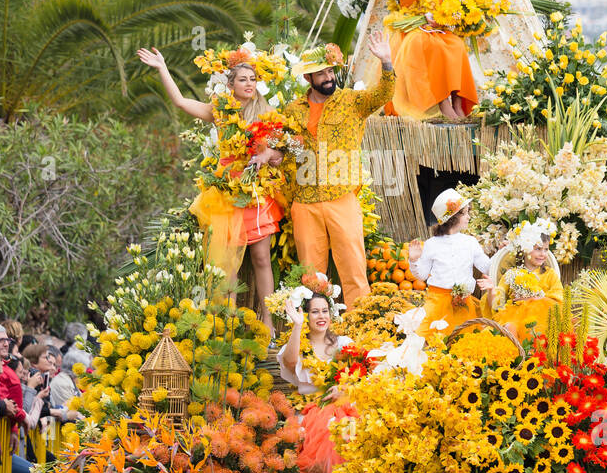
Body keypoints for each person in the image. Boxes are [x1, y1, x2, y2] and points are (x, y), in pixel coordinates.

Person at [138, 42, 286, 333]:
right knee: (225, 264)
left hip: (257, 194)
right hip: (225, 197)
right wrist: (163, 68)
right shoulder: (220, 112)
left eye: (253, 79)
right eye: (242, 79)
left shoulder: (268, 114)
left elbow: (281, 155)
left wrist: (267, 155)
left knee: (260, 259)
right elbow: (181, 102)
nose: (249, 84)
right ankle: (225, 325)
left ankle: (268, 323)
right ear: (230, 85)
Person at [282, 32, 395, 309]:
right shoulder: (292, 109)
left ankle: (363, 328)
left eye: (330, 71)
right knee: (310, 277)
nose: (328, 77)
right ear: (308, 79)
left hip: (342, 197)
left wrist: (387, 61)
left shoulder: (351, 101)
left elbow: (384, 94)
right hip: (304, 202)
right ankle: (315, 333)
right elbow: (283, 146)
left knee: (354, 270)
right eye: (321, 74)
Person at [277, 284, 356, 473]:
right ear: (306, 315)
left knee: (345, 429)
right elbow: (290, 362)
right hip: (309, 411)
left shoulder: (344, 343)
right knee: (322, 429)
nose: (321, 316)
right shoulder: (298, 345)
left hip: (343, 407)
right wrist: (297, 326)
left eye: (325, 311)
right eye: (314, 312)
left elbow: (358, 376)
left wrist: (343, 390)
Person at [408, 189, 494, 337]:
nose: (469, 217)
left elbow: (487, 267)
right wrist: (414, 260)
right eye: (465, 213)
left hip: (463, 305)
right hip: (437, 304)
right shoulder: (431, 244)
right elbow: (422, 275)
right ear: (453, 217)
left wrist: (501, 253)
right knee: (431, 342)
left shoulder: (470, 242)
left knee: (463, 341)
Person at [489, 219, 564, 344]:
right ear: (525, 249)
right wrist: (491, 289)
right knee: (510, 328)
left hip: (543, 318)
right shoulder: (512, 274)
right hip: (516, 316)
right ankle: (518, 355)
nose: (543, 254)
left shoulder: (550, 274)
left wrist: (534, 299)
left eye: (546, 249)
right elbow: (498, 304)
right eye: (538, 249)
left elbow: (559, 298)